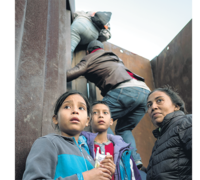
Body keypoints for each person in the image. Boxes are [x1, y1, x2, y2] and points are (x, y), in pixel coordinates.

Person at [66, 39, 151, 169]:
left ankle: (110, 154)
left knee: (96, 117)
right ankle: (134, 159)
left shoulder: (90, 57)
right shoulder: (114, 57)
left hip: (124, 89)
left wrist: (59, 74)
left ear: (89, 51)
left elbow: (75, 72)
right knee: (124, 129)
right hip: (145, 92)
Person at [22, 90, 115, 180]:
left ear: (87, 121)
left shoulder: (88, 155)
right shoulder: (48, 143)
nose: (75, 111)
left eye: (81, 108)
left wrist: (103, 171)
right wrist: (84, 177)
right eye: (67, 107)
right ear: (55, 119)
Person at [80, 101, 145, 180]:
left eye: (105, 112)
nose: (101, 115)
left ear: (111, 121)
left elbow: (134, 176)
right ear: (88, 121)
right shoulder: (81, 146)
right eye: (95, 112)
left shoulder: (123, 150)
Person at [146, 85, 194, 180]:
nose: (153, 107)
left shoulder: (187, 122)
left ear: (176, 106)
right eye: (149, 105)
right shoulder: (159, 142)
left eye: (159, 100)